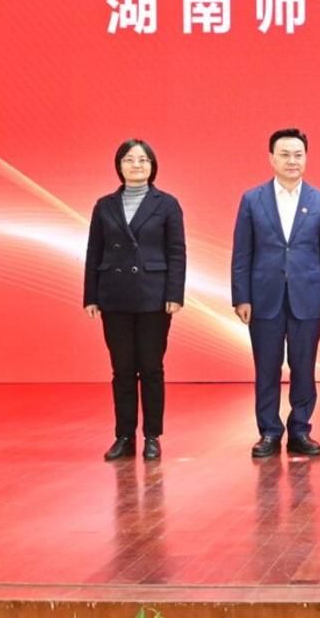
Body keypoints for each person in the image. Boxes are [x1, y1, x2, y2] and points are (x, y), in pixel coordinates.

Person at [231, 128, 320, 458]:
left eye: (298, 155)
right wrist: (241, 296)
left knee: (304, 367)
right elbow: (242, 253)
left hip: (309, 298)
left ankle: (300, 429)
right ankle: (268, 431)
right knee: (266, 367)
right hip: (263, 298)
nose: (292, 161)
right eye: (285, 154)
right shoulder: (252, 199)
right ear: (271, 158)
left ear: (306, 158)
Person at [84, 139, 186, 461]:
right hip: (114, 295)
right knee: (122, 369)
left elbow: (177, 252)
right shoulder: (104, 205)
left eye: (143, 160)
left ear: (152, 166)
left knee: (151, 368)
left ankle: (152, 436)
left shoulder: (167, 204)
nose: (136, 165)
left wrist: (174, 294)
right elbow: (93, 252)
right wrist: (90, 296)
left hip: (153, 296)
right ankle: (124, 436)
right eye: (129, 160)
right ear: (119, 165)